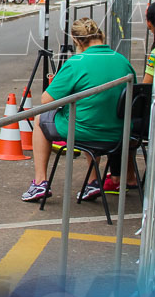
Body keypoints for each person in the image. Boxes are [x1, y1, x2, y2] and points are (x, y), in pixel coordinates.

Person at [22, 18, 136, 203]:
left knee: (41, 118)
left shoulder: (77, 62)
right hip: (120, 133)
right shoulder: (122, 60)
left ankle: (40, 182)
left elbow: (46, 100)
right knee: (90, 113)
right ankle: (92, 181)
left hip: (86, 130)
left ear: (76, 41)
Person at [105, 1, 155, 192]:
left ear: (150, 23)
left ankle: (120, 176)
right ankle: (129, 175)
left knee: (119, 126)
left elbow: (147, 87)